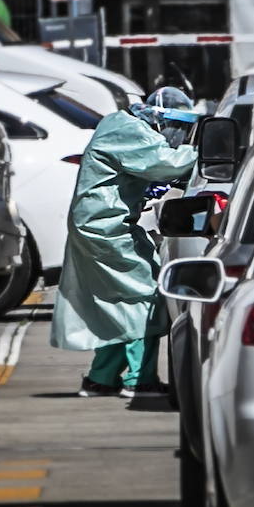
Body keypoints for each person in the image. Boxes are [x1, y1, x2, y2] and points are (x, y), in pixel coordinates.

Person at [50, 90, 198, 398]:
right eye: (176, 125)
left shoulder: (123, 125)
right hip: (106, 228)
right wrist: (206, 152)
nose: (178, 133)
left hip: (103, 225)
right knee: (146, 296)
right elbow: (168, 163)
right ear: (158, 117)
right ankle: (138, 380)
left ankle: (101, 378)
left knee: (118, 303)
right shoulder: (131, 131)